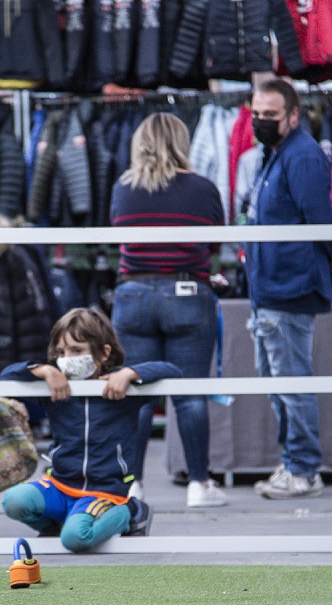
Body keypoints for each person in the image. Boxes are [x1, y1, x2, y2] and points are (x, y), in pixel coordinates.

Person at [109, 112, 228, 509]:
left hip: (133, 294)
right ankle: (199, 485)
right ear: (181, 142)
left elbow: (118, 239)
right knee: (190, 395)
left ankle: (131, 485)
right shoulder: (203, 188)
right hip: (188, 292)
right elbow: (213, 247)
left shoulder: (123, 188)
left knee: (137, 394)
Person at [245, 78, 332, 500]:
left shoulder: (302, 154)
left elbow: (318, 214)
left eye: (270, 115)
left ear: (292, 115)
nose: (261, 121)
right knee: (278, 382)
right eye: (256, 114)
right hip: (271, 286)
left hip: (288, 286)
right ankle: (295, 463)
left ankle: (303, 469)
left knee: (290, 381)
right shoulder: (276, 154)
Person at [0, 309, 181, 553]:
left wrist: (130, 373)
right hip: (60, 485)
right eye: (61, 352)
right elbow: (6, 375)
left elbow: (172, 371)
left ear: (104, 353)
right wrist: (44, 370)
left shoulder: (122, 389)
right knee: (14, 501)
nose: (67, 358)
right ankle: (55, 524)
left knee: (76, 538)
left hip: (104, 491)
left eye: (77, 351)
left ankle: (133, 511)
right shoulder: (54, 385)